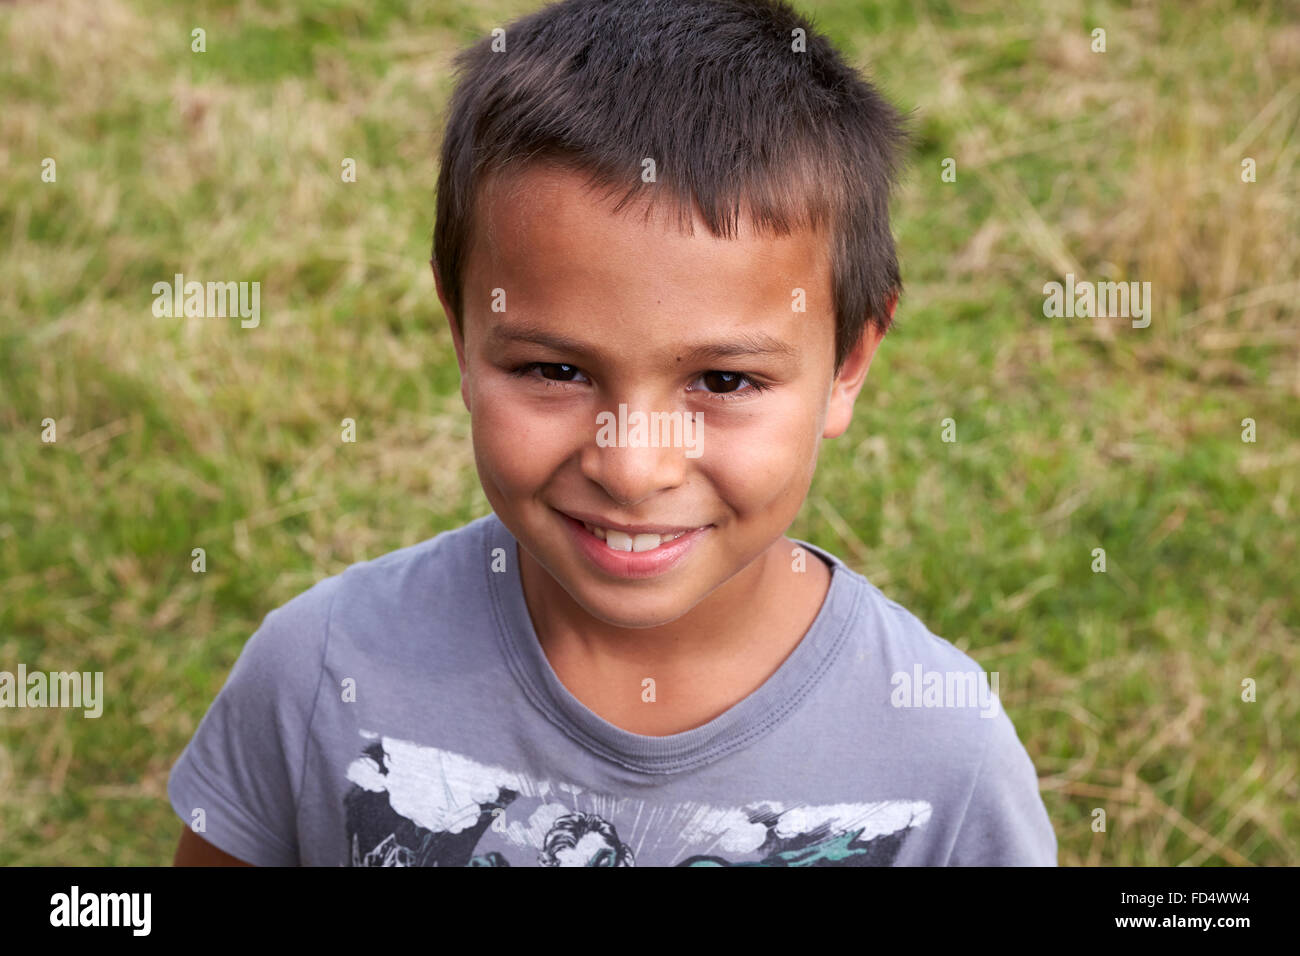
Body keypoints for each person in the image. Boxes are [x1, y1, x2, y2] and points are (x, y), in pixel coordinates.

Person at [170, 0, 1056, 867]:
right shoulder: (321, 671)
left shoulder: (944, 757)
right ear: (462, 332)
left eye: (723, 381)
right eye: (555, 371)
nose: (633, 467)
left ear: (849, 362)